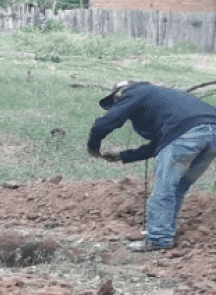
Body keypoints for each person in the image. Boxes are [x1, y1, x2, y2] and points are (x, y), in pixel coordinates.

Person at [88, 80, 216, 252]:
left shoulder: (134, 92)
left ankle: (159, 238)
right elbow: (165, 142)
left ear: (120, 93)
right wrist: (124, 155)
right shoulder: (163, 97)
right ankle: (165, 231)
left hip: (187, 137)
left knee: (164, 188)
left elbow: (107, 122)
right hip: (211, 135)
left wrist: (93, 146)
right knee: (177, 187)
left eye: (117, 101)